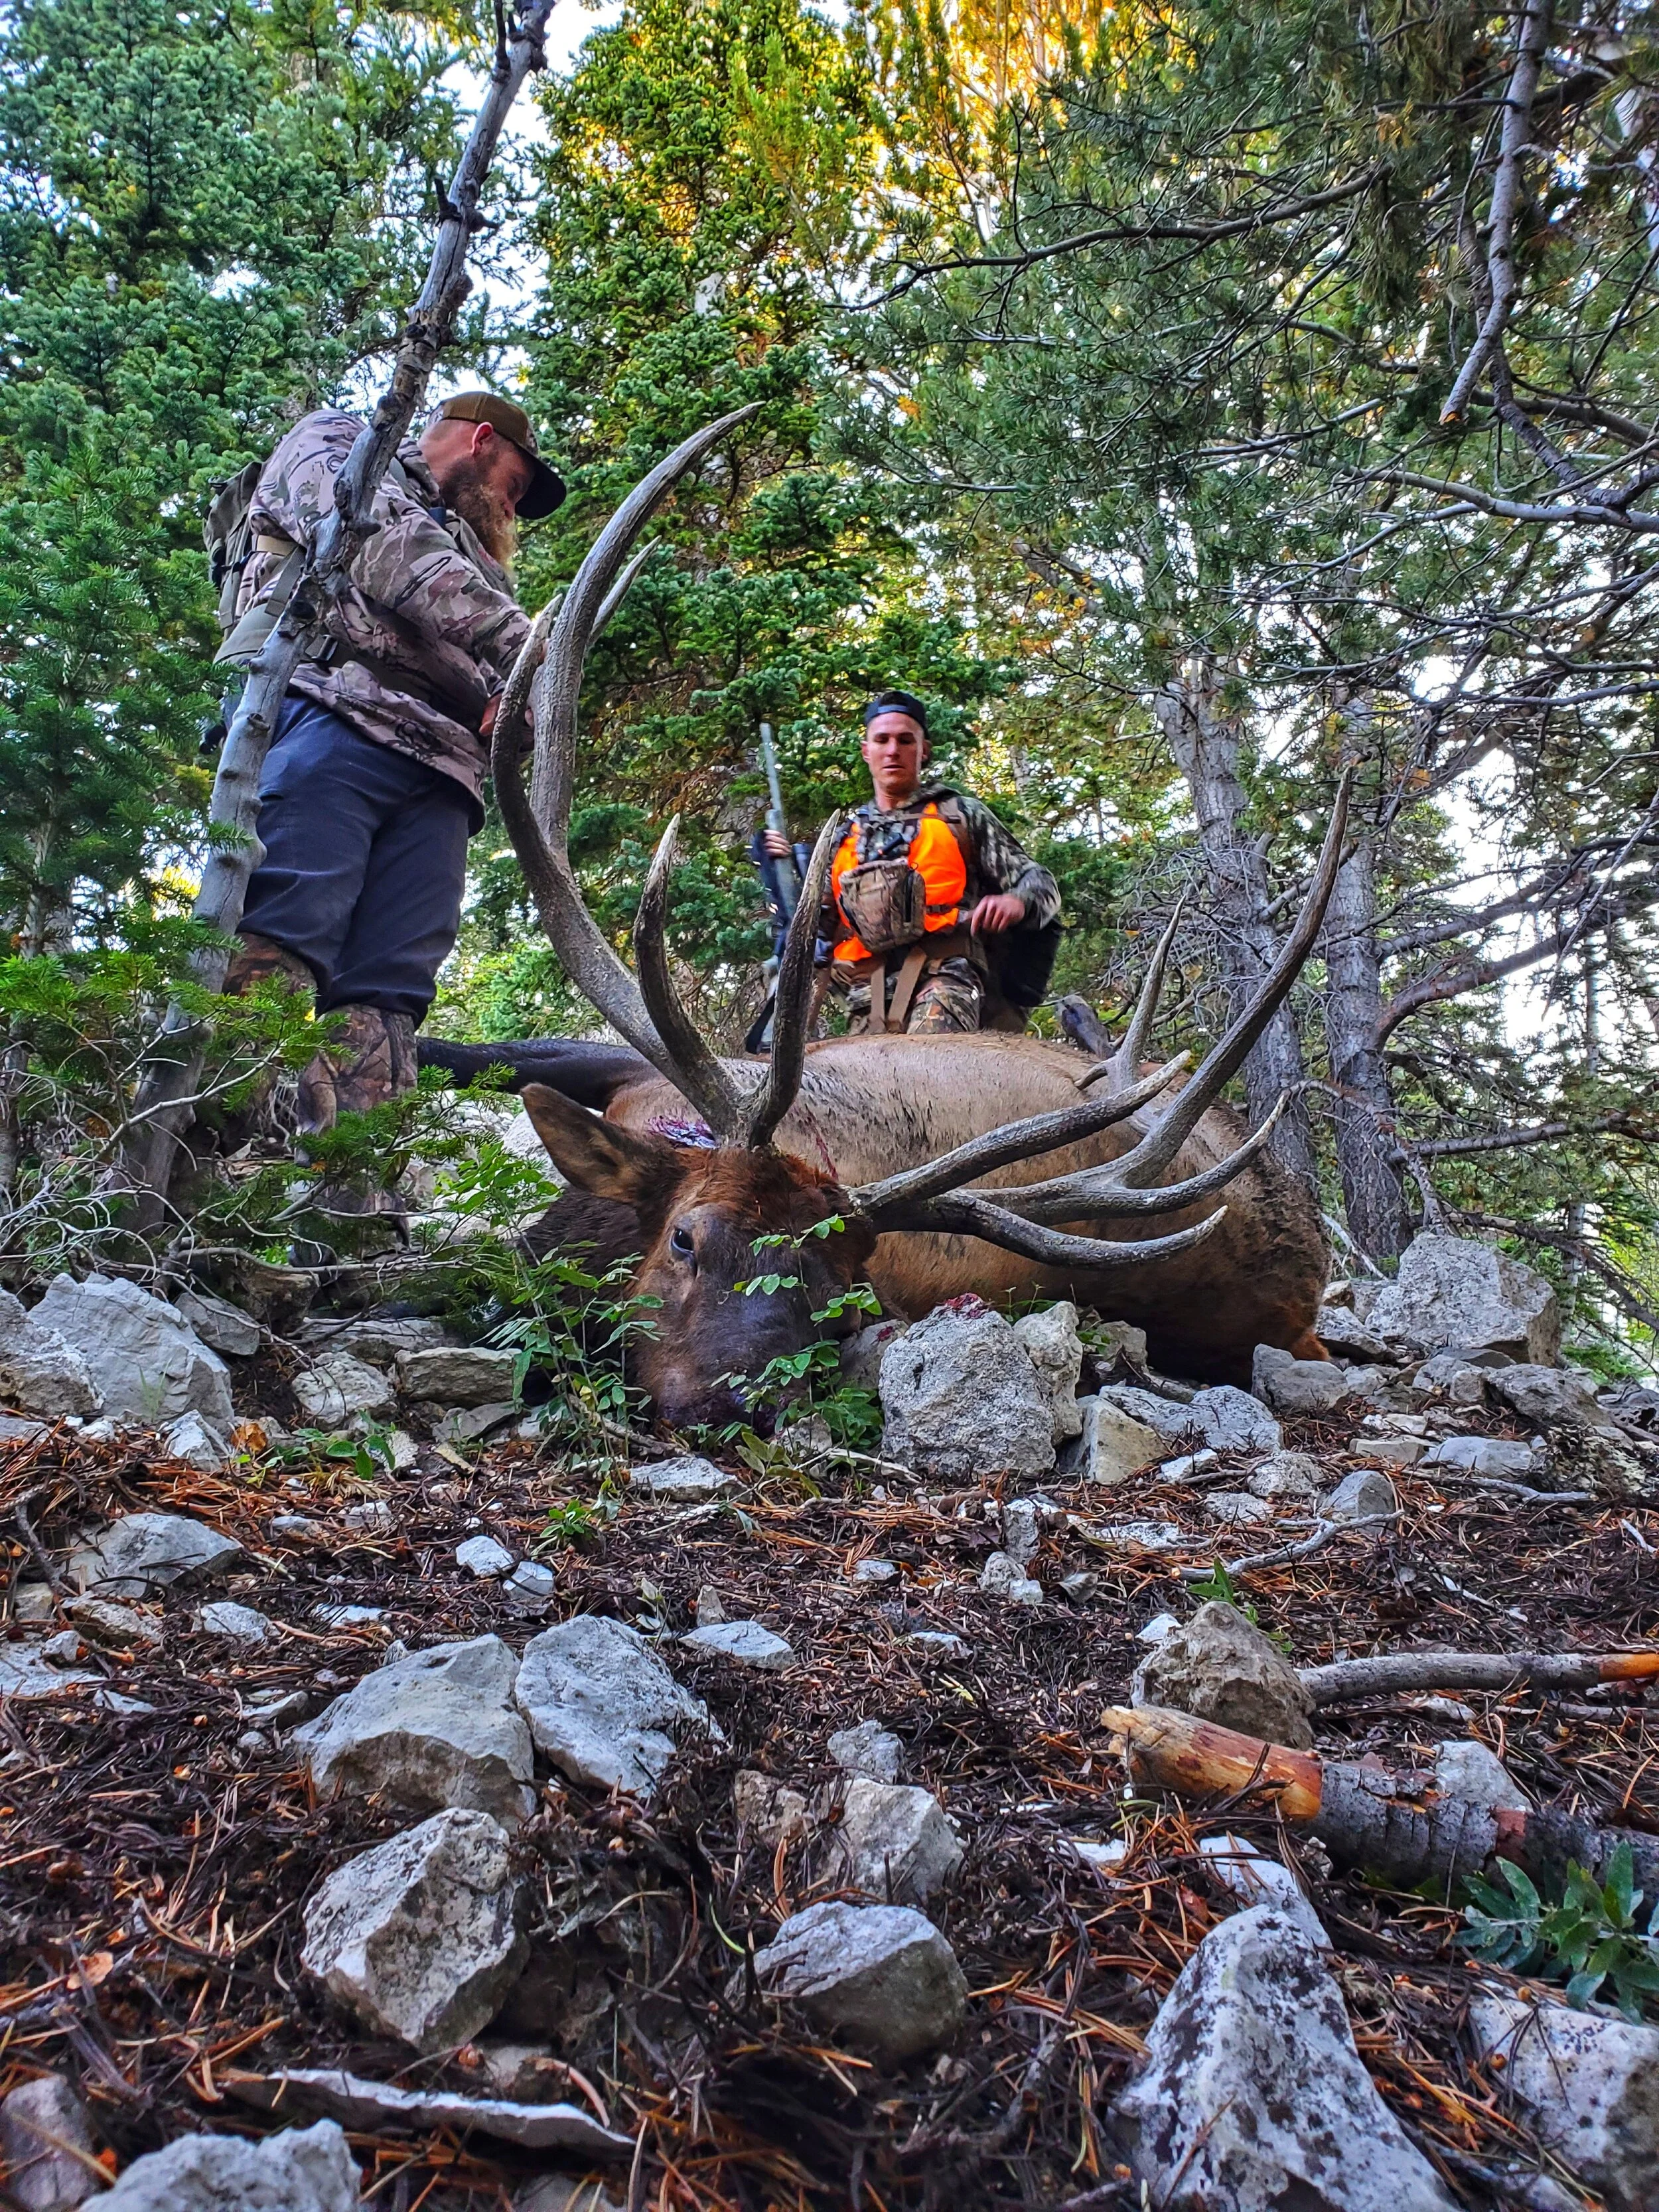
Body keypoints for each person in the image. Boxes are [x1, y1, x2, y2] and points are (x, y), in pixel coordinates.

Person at [216, 391, 565, 1135]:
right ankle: (217, 1177)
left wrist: (519, 705)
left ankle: (355, 1212)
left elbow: (496, 674)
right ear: (479, 440)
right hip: (329, 718)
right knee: (281, 933)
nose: (514, 504)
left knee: (391, 991)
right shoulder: (343, 444)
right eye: (517, 480)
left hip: (442, 777)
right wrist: (525, 656)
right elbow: (382, 546)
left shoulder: (477, 563)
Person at [774, 690, 1060, 1033]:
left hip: (946, 977)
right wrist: (783, 878)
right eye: (882, 740)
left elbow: (1039, 882)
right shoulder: (842, 838)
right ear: (867, 751)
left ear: (923, 749)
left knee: (931, 1068)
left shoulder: (959, 815)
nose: (893, 750)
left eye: (905, 740)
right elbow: (812, 930)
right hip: (866, 996)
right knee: (859, 1085)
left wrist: (1016, 902)